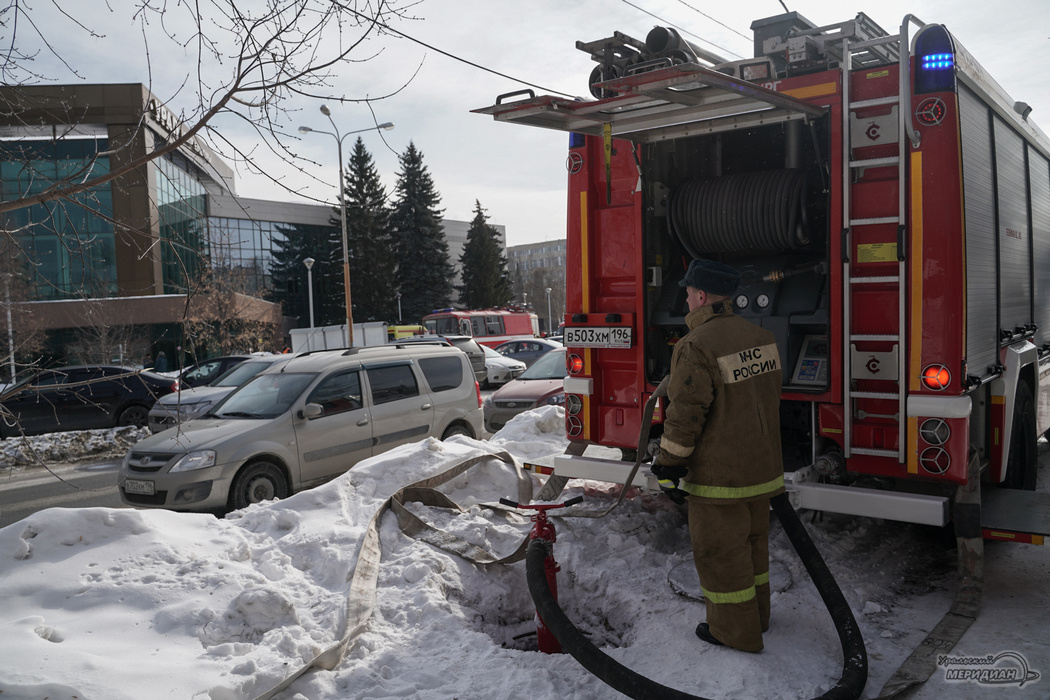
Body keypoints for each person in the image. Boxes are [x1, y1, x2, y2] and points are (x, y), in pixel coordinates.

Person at [650, 258, 784, 653]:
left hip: (718, 480)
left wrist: (669, 466)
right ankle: (759, 618)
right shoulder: (761, 336)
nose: (687, 300)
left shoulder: (696, 345)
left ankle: (734, 633)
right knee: (754, 550)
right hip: (761, 472)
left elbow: (685, 415)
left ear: (702, 295)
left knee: (721, 555)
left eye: (689, 294)